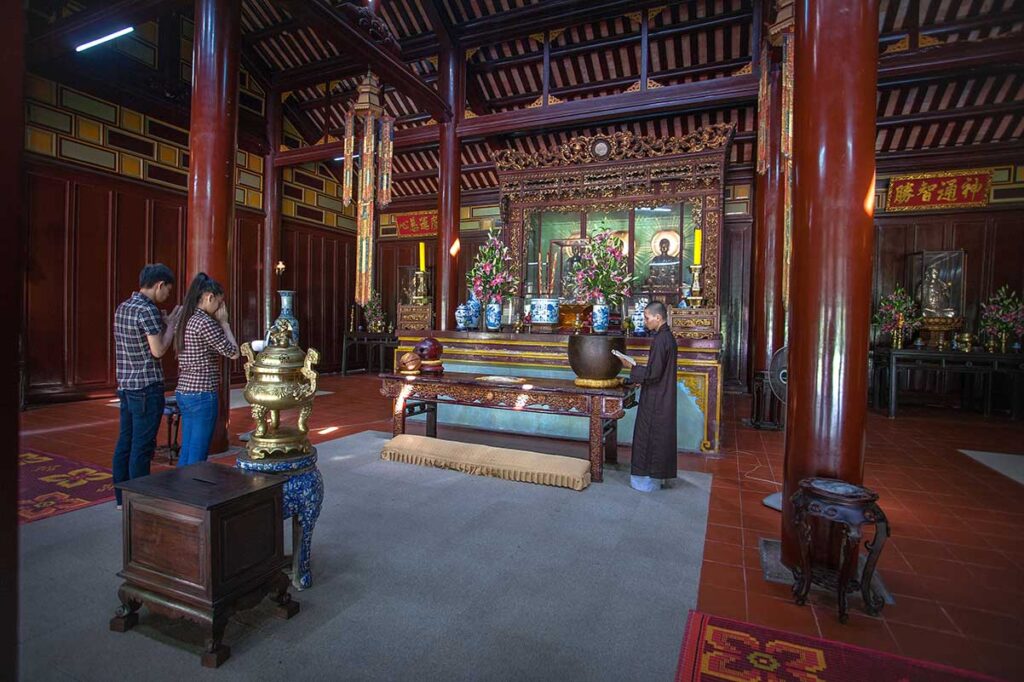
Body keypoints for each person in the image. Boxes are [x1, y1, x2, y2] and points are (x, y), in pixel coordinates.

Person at [113, 264, 181, 509]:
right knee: (142, 447)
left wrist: (162, 324)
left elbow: (140, 344)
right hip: (146, 387)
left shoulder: (123, 307)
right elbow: (158, 350)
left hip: (126, 385)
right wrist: (171, 325)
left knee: (125, 442)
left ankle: (122, 499)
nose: (167, 296)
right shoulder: (147, 310)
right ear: (160, 285)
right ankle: (139, 503)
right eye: (167, 291)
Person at [174, 273, 240, 466]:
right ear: (209, 297)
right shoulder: (205, 322)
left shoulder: (185, 319)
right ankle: (192, 491)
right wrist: (225, 323)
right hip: (202, 393)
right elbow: (233, 352)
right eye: (219, 303)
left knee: (187, 447)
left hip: (184, 390)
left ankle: (180, 489)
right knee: (198, 452)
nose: (220, 309)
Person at [621, 300, 678, 492]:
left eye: (647, 318)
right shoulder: (666, 337)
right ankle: (658, 476)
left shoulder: (662, 340)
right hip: (662, 395)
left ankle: (646, 480)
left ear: (658, 317)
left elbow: (653, 374)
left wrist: (633, 368)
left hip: (655, 397)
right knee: (659, 436)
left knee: (648, 436)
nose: (645, 322)